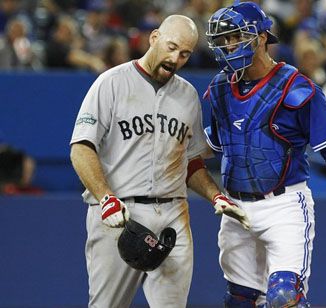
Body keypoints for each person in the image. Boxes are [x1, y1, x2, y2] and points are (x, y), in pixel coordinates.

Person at [70, 14, 249, 307]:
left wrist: (215, 195)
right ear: (154, 38)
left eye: (185, 54)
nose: (175, 58)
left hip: (173, 215)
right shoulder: (111, 83)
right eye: (171, 46)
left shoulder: (188, 95)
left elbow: (190, 162)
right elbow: (81, 148)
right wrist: (106, 199)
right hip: (119, 215)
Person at [204, 2, 326, 306]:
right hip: (235, 208)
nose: (228, 46)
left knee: (284, 296)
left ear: (261, 36)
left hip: (284, 205)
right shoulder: (219, 88)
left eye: (236, 37)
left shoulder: (298, 87)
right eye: (223, 40)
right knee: (239, 300)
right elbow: (213, 146)